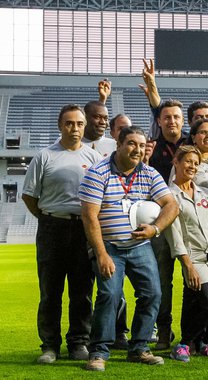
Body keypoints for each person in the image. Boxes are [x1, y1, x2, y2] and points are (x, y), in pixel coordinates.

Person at [79, 126, 179, 371]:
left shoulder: (149, 173)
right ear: (119, 144)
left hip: (140, 245)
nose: (137, 149)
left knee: (153, 294)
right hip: (109, 246)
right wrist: (101, 253)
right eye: (132, 143)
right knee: (110, 295)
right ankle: (99, 351)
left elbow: (171, 206)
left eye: (142, 145)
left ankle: (139, 348)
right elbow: (90, 217)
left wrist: (155, 229)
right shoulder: (97, 172)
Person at [22, 104, 102, 364]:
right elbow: (29, 196)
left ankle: (79, 342)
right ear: (60, 126)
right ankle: (50, 345)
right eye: (69, 123)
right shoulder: (45, 156)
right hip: (52, 229)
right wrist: (49, 218)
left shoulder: (94, 159)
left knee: (82, 291)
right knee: (50, 291)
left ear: (84, 126)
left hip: (84, 229)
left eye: (79, 124)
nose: (75, 128)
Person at [165, 146, 208, 362]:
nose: (192, 167)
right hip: (194, 258)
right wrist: (187, 265)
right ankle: (185, 343)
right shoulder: (169, 197)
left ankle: (207, 343)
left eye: (196, 163)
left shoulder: (204, 192)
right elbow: (174, 235)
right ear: (176, 162)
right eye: (187, 161)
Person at [147, 97, 188, 350]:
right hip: (160, 222)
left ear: (183, 121)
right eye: (167, 117)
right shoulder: (150, 147)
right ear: (159, 121)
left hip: (188, 221)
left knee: (193, 277)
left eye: (176, 117)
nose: (172, 121)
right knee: (162, 279)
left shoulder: (192, 144)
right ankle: (163, 330)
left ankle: (192, 332)